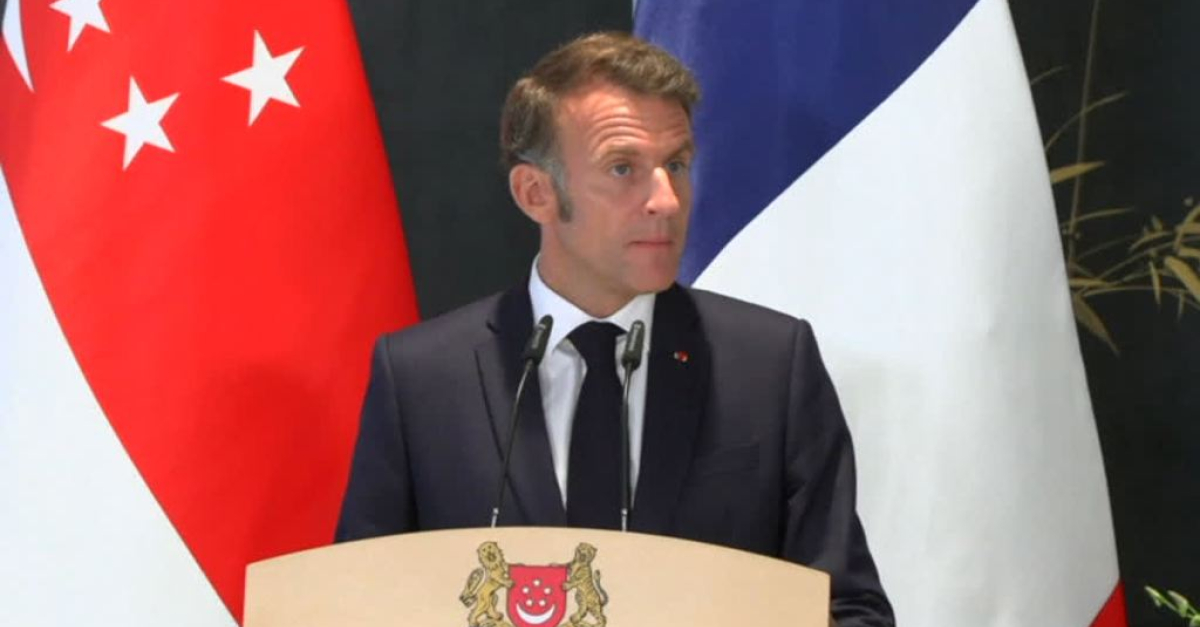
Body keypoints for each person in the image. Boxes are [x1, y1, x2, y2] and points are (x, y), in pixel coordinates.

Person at [336, 32, 895, 626]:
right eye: (623, 168)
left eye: (675, 165)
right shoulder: (422, 378)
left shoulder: (770, 366)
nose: (666, 201)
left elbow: (850, 609)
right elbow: (357, 605)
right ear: (536, 193)